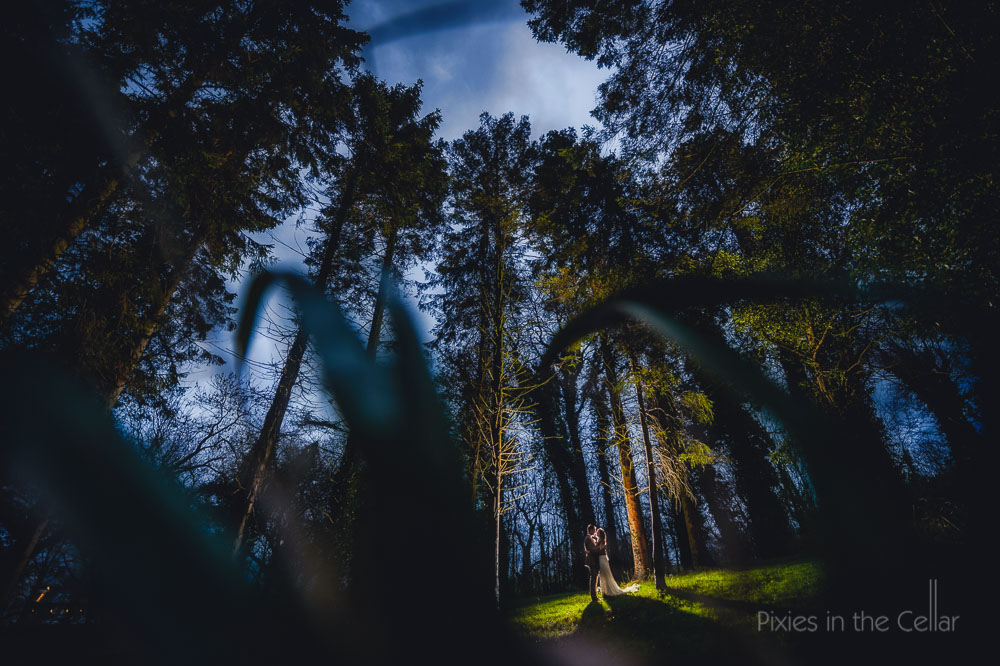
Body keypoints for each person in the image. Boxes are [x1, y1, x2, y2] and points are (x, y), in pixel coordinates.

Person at [595, 527, 638, 596]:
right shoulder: (598, 540)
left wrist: (595, 549)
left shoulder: (601, 540)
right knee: (603, 574)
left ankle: (609, 591)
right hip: (600, 558)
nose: (596, 532)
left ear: (600, 534)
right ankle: (605, 591)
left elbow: (600, 549)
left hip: (602, 558)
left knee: (606, 574)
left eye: (598, 532)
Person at [583, 524, 601, 602]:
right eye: (594, 530)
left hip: (593, 560)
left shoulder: (590, 538)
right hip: (591, 560)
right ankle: (594, 596)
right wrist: (600, 548)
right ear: (590, 530)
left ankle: (594, 595)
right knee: (593, 577)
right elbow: (591, 549)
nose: (595, 531)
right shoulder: (588, 538)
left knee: (594, 577)